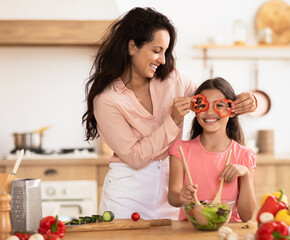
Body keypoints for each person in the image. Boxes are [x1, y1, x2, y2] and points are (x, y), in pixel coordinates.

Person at [82, 7, 257, 220]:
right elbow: (136, 157)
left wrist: (247, 101)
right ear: (132, 47)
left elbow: (210, 104)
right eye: (157, 50)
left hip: (171, 189)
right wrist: (173, 119)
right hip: (127, 194)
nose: (163, 60)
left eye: (165, 51)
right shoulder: (107, 100)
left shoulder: (172, 79)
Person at [168, 77, 256, 222]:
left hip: (228, 232)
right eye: (203, 105)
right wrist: (180, 196)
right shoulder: (180, 150)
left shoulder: (244, 155)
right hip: (189, 232)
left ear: (232, 111)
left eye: (219, 105)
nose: (209, 112)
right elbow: (173, 197)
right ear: (195, 110)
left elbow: (247, 216)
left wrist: (245, 174)